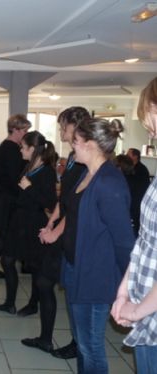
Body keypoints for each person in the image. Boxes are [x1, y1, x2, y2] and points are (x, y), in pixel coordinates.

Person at [60, 117, 134, 373]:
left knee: (90, 347)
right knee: (81, 343)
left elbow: (124, 242)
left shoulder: (108, 183)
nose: (73, 146)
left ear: (91, 144)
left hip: (95, 277)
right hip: (76, 268)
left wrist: (129, 287)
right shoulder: (88, 173)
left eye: (76, 142)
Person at [111, 77, 157, 374]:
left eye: (150, 120)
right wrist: (124, 291)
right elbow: (145, 241)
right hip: (146, 312)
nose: (150, 131)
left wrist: (138, 309)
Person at [37, 106, 90, 360]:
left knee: (66, 290)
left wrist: (56, 232)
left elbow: (78, 207)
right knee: (50, 284)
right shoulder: (71, 157)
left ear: (76, 126)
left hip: (73, 236)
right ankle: (52, 338)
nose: (60, 131)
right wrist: (52, 220)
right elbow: (65, 196)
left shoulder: (85, 160)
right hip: (62, 229)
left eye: (63, 126)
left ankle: (77, 343)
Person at [0, 131, 57, 323]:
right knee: (7, 260)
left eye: (23, 147)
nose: (20, 149)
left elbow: (49, 202)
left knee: (34, 266)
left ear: (32, 149)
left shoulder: (46, 171)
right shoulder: (28, 166)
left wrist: (29, 188)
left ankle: (32, 303)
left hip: (32, 222)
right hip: (19, 220)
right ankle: (10, 302)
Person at [0, 114, 30, 278]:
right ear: (15, 129)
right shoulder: (10, 148)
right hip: (8, 198)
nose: (26, 133)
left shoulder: (9, 146)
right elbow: (12, 177)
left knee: (3, 235)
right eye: (24, 129)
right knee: (3, 235)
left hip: (6, 196)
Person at [126, 148, 151, 235]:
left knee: (135, 229)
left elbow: (139, 189)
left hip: (136, 204)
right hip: (130, 202)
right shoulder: (129, 168)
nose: (126, 156)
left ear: (135, 156)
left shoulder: (142, 170)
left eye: (128, 154)